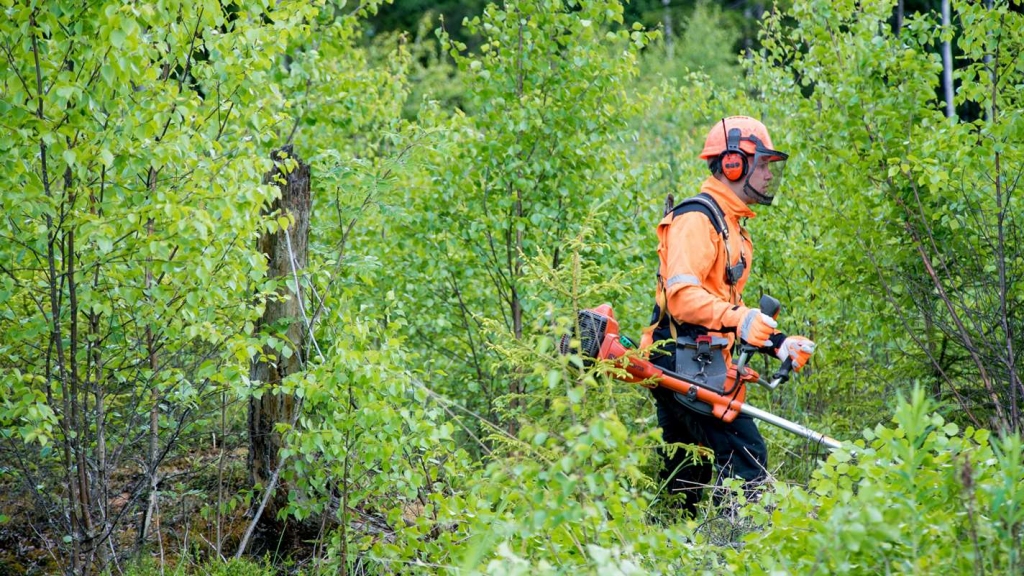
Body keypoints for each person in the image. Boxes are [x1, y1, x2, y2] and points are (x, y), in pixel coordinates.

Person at [639, 116, 817, 516]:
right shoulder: (697, 219)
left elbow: (722, 307)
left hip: (697, 359)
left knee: (689, 469)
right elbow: (683, 300)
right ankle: (733, 544)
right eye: (763, 164)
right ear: (733, 164)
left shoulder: (729, 224)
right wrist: (742, 319)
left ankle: (662, 540)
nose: (769, 175)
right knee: (745, 457)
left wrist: (777, 343)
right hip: (680, 358)